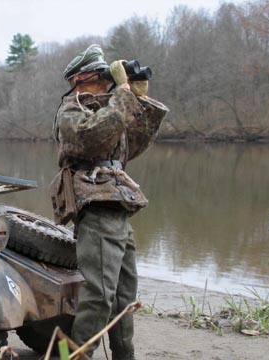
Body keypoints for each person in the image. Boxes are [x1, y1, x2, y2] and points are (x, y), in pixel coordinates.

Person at [50, 44, 169, 359]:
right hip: (97, 203)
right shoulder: (72, 108)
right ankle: (69, 357)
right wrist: (122, 96)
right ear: (81, 78)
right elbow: (93, 138)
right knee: (98, 296)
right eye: (101, 74)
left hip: (118, 203)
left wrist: (138, 97)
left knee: (123, 297)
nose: (108, 81)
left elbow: (134, 145)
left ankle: (123, 355)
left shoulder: (109, 107)